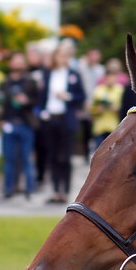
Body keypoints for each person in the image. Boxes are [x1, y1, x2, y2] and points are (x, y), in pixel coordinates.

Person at [38, 44, 85, 204]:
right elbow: (42, 97)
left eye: (66, 56)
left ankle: (65, 191)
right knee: (52, 156)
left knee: (65, 157)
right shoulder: (48, 74)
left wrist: (68, 96)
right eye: (61, 55)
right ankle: (55, 190)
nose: (63, 59)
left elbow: (81, 96)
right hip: (51, 118)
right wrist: (43, 112)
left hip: (66, 119)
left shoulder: (73, 74)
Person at [0, 52, 40, 200]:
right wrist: (1, 119)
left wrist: (26, 101)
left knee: (26, 159)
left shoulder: (30, 81)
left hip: (25, 124)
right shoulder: (5, 82)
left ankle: (29, 190)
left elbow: (37, 101)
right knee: (9, 159)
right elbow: (0, 103)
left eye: (20, 61)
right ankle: (8, 189)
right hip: (8, 124)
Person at [89, 58, 126, 152]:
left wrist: (116, 109)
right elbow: (91, 108)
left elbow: (125, 108)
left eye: (113, 77)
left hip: (114, 127)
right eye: (109, 77)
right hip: (100, 127)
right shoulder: (98, 90)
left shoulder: (120, 90)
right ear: (105, 78)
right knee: (99, 152)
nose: (111, 80)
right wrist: (97, 110)